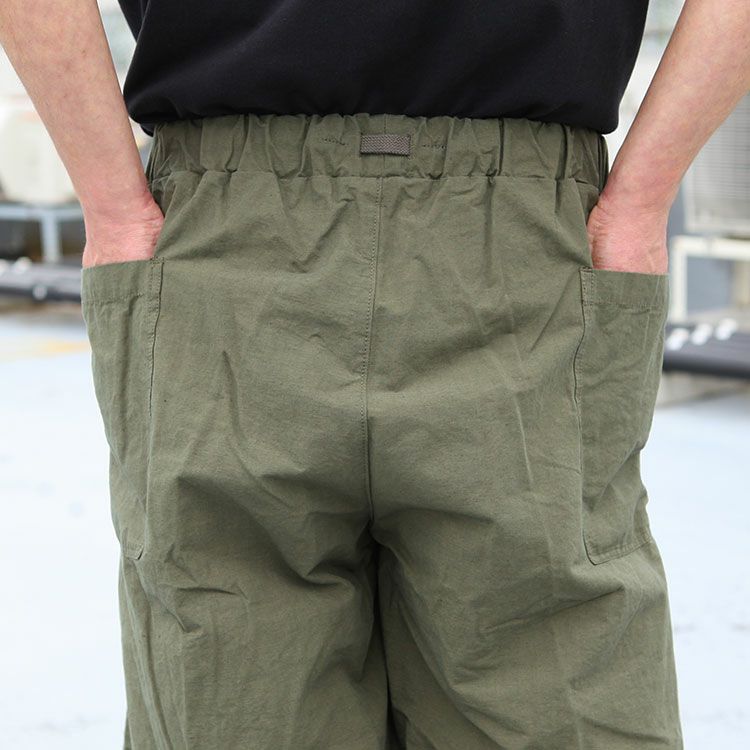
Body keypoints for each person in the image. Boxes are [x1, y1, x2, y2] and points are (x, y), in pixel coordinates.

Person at [2, 1, 748, 747]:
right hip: (502, 237)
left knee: (230, 690)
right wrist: (641, 200)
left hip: (258, 233)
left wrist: (113, 204)